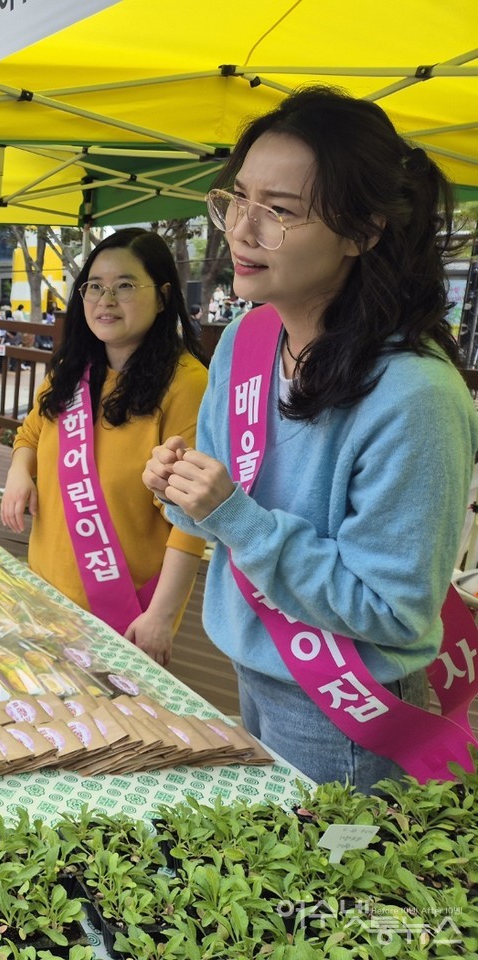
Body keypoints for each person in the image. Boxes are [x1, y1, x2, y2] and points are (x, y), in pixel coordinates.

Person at [143, 87, 478, 790]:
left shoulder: (415, 395)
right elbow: (213, 511)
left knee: (327, 901)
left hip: (348, 710)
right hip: (251, 669)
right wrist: (179, 487)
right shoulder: (247, 337)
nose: (241, 229)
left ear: (364, 231)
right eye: (237, 198)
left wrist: (232, 513)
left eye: (281, 212)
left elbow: (392, 609)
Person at [0, 229, 209, 666]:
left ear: (164, 295)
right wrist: (19, 471)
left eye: (126, 286)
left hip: (125, 607)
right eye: (94, 286)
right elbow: (31, 434)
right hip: (45, 588)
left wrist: (161, 615)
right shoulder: (73, 369)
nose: (105, 299)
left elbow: (193, 519)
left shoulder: (187, 384)